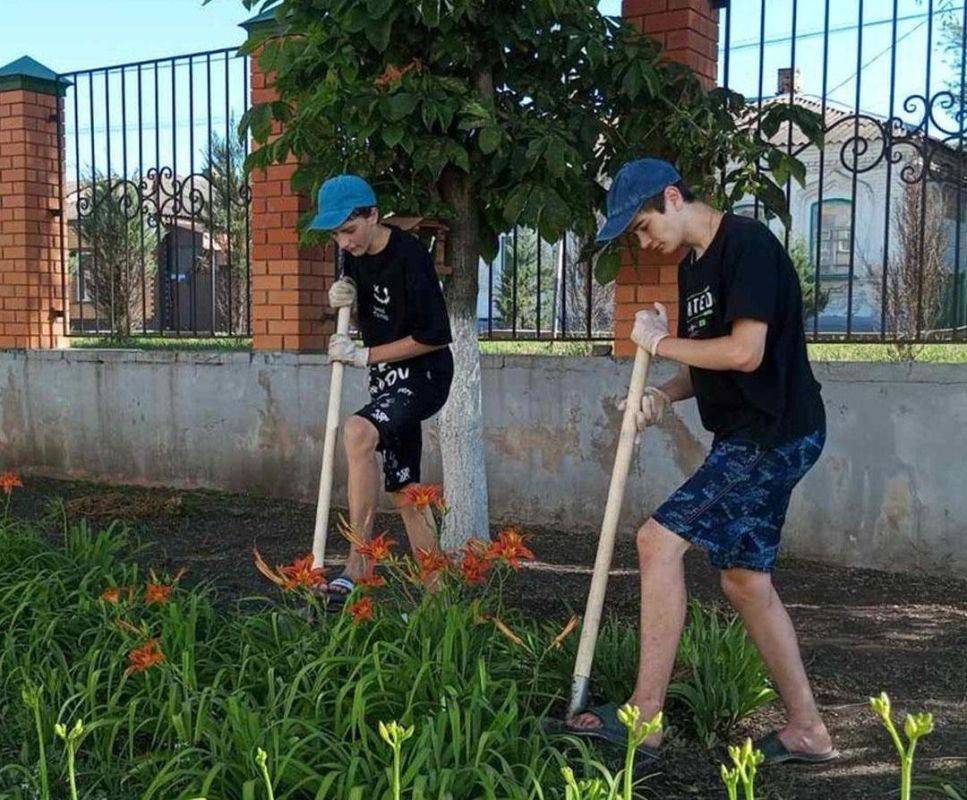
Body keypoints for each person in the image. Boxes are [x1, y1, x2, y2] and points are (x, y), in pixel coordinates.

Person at [566, 158, 836, 766]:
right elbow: (705, 358)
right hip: (747, 436)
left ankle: (646, 717)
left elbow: (744, 352)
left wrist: (656, 341)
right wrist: (664, 389)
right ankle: (809, 731)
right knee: (745, 582)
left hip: (773, 435)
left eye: (641, 227)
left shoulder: (747, 246)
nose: (643, 242)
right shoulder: (694, 265)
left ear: (672, 197)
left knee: (657, 541)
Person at [310, 174, 453, 602]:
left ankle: (360, 558)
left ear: (373, 215)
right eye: (336, 234)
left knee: (356, 431)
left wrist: (364, 356)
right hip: (387, 380)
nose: (344, 243)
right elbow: (370, 315)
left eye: (349, 231)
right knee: (404, 488)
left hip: (424, 375)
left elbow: (435, 334)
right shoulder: (352, 256)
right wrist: (341, 303)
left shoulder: (410, 255)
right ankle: (438, 597)